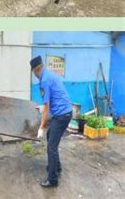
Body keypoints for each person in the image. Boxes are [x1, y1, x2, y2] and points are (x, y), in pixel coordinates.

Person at [30, 56, 72, 188]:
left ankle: (53, 179)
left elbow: (47, 106)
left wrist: (41, 127)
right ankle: (56, 166)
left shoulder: (44, 81)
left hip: (62, 116)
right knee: (51, 137)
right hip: (65, 113)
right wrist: (44, 106)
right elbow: (53, 97)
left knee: (51, 147)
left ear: (35, 70)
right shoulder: (48, 75)